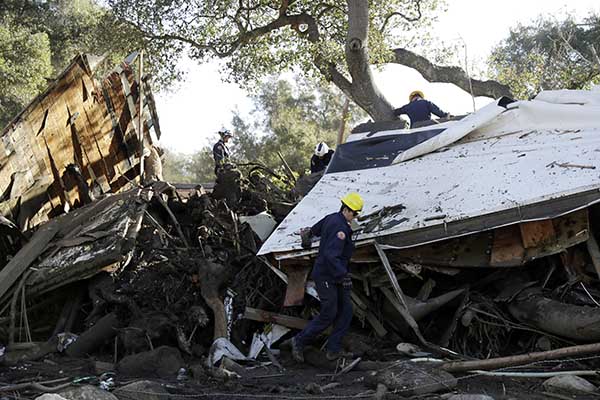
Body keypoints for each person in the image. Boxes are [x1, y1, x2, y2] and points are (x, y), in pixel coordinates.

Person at [291, 192, 364, 362]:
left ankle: (333, 350)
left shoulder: (331, 218)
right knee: (329, 313)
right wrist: (343, 275)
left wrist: (306, 238)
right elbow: (332, 256)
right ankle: (299, 341)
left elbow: (312, 231)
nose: (355, 217)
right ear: (346, 209)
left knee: (346, 312)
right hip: (327, 275)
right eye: (355, 213)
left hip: (336, 275)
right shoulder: (341, 229)